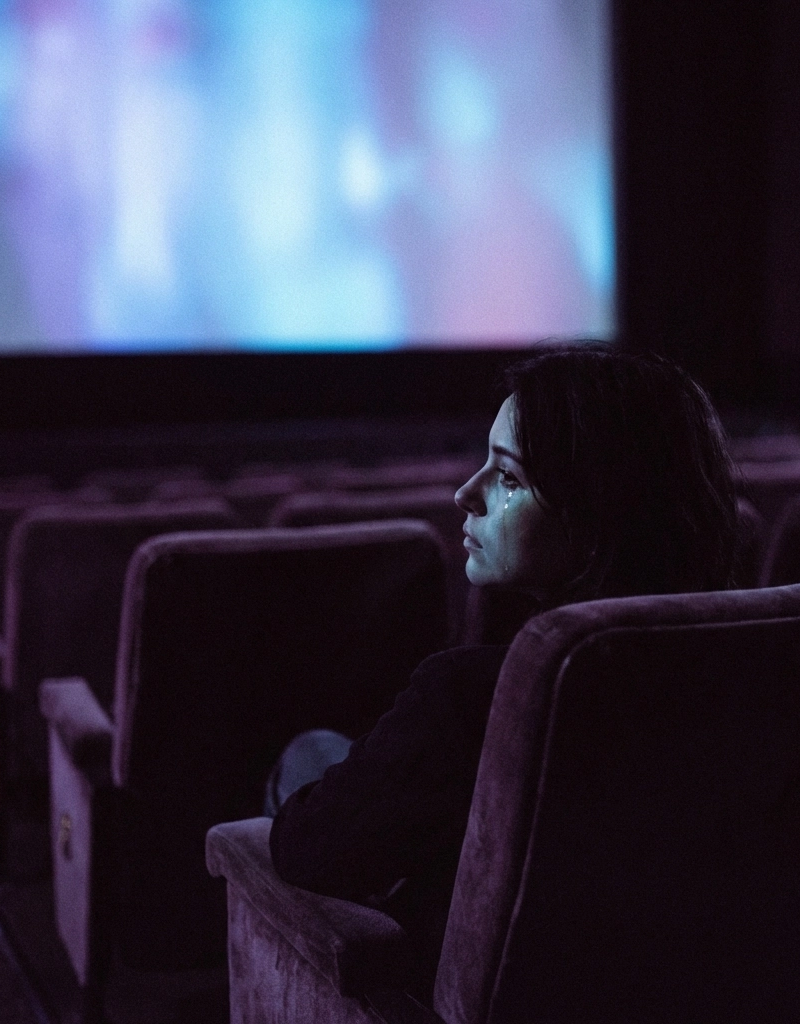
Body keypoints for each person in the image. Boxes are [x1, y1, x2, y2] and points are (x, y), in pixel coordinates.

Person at [267, 342, 741, 996]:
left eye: (510, 478)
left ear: (601, 513)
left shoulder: (472, 699)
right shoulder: (765, 672)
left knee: (305, 758)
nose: (467, 493)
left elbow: (306, 852)